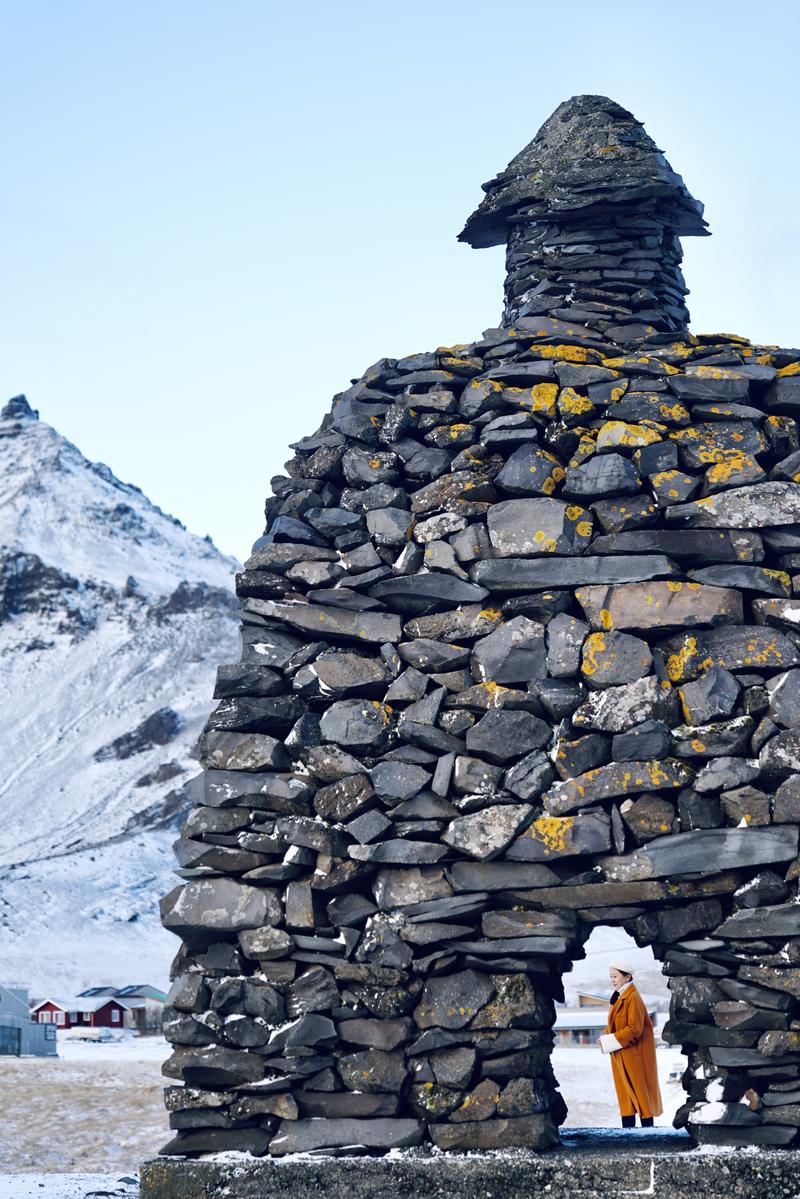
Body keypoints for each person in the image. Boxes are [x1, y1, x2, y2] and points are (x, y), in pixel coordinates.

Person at [596, 961, 663, 1128]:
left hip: (634, 1056)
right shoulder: (620, 996)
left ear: (627, 977)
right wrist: (605, 1035)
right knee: (627, 1096)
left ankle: (647, 1131)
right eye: (611, 976)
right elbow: (615, 1024)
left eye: (615, 976)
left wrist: (609, 1041)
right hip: (623, 1054)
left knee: (640, 1096)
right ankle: (629, 1132)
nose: (612, 980)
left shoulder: (632, 997)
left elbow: (635, 1029)